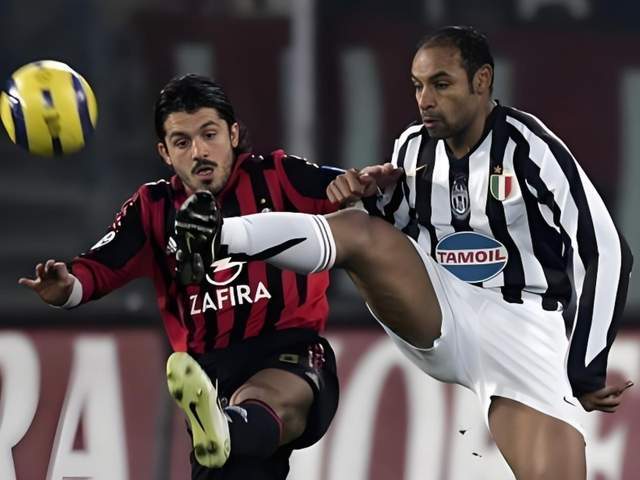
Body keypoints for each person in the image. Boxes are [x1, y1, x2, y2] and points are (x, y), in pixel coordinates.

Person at [176, 27, 634, 479]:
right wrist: (366, 196)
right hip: (438, 306)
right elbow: (396, 230)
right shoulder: (412, 146)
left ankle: (236, 428)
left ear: (482, 81)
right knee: (360, 230)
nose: (425, 100)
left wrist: (586, 365)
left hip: (521, 328)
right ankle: (216, 235)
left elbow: (607, 251)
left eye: (441, 84)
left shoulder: (531, 148)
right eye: (417, 86)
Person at [18, 74, 341, 480]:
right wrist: (66, 288)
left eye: (210, 135)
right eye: (182, 142)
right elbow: (99, 267)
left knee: (271, 400)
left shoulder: (278, 176)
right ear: (165, 153)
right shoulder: (152, 207)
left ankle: (230, 425)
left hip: (291, 349)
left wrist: (364, 183)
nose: (199, 152)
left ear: (233, 134)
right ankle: (225, 426)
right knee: (234, 457)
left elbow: (347, 188)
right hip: (211, 378)